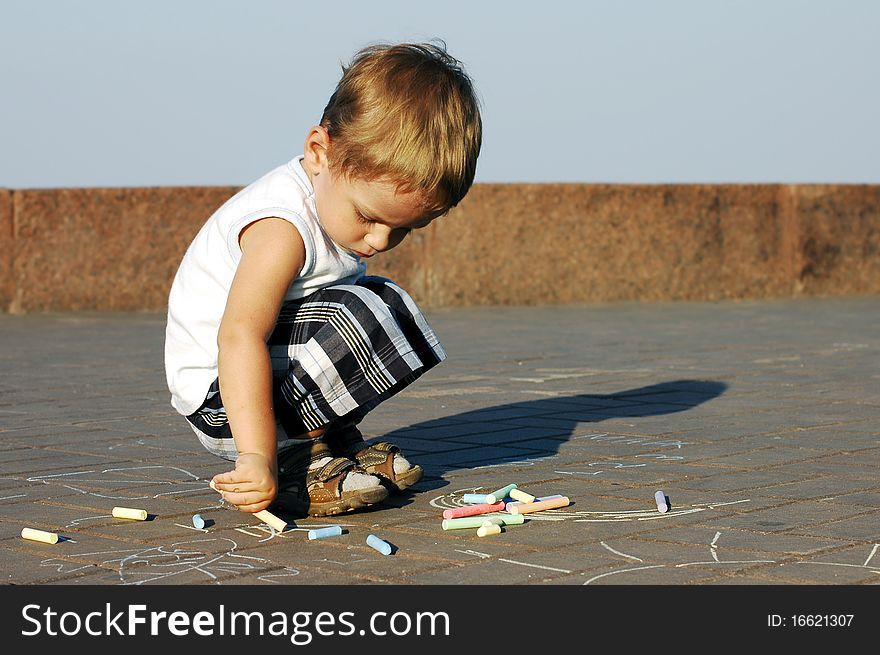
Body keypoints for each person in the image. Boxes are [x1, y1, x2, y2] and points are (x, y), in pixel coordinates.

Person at [163, 41, 482, 519]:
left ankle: (327, 449)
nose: (378, 240)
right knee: (359, 314)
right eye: (369, 217)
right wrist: (255, 457)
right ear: (319, 153)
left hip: (266, 376)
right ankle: (293, 462)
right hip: (222, 400)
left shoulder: (337, 206)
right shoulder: (281, 230)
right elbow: (237, 336)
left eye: (406, 229)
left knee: (386, 307)